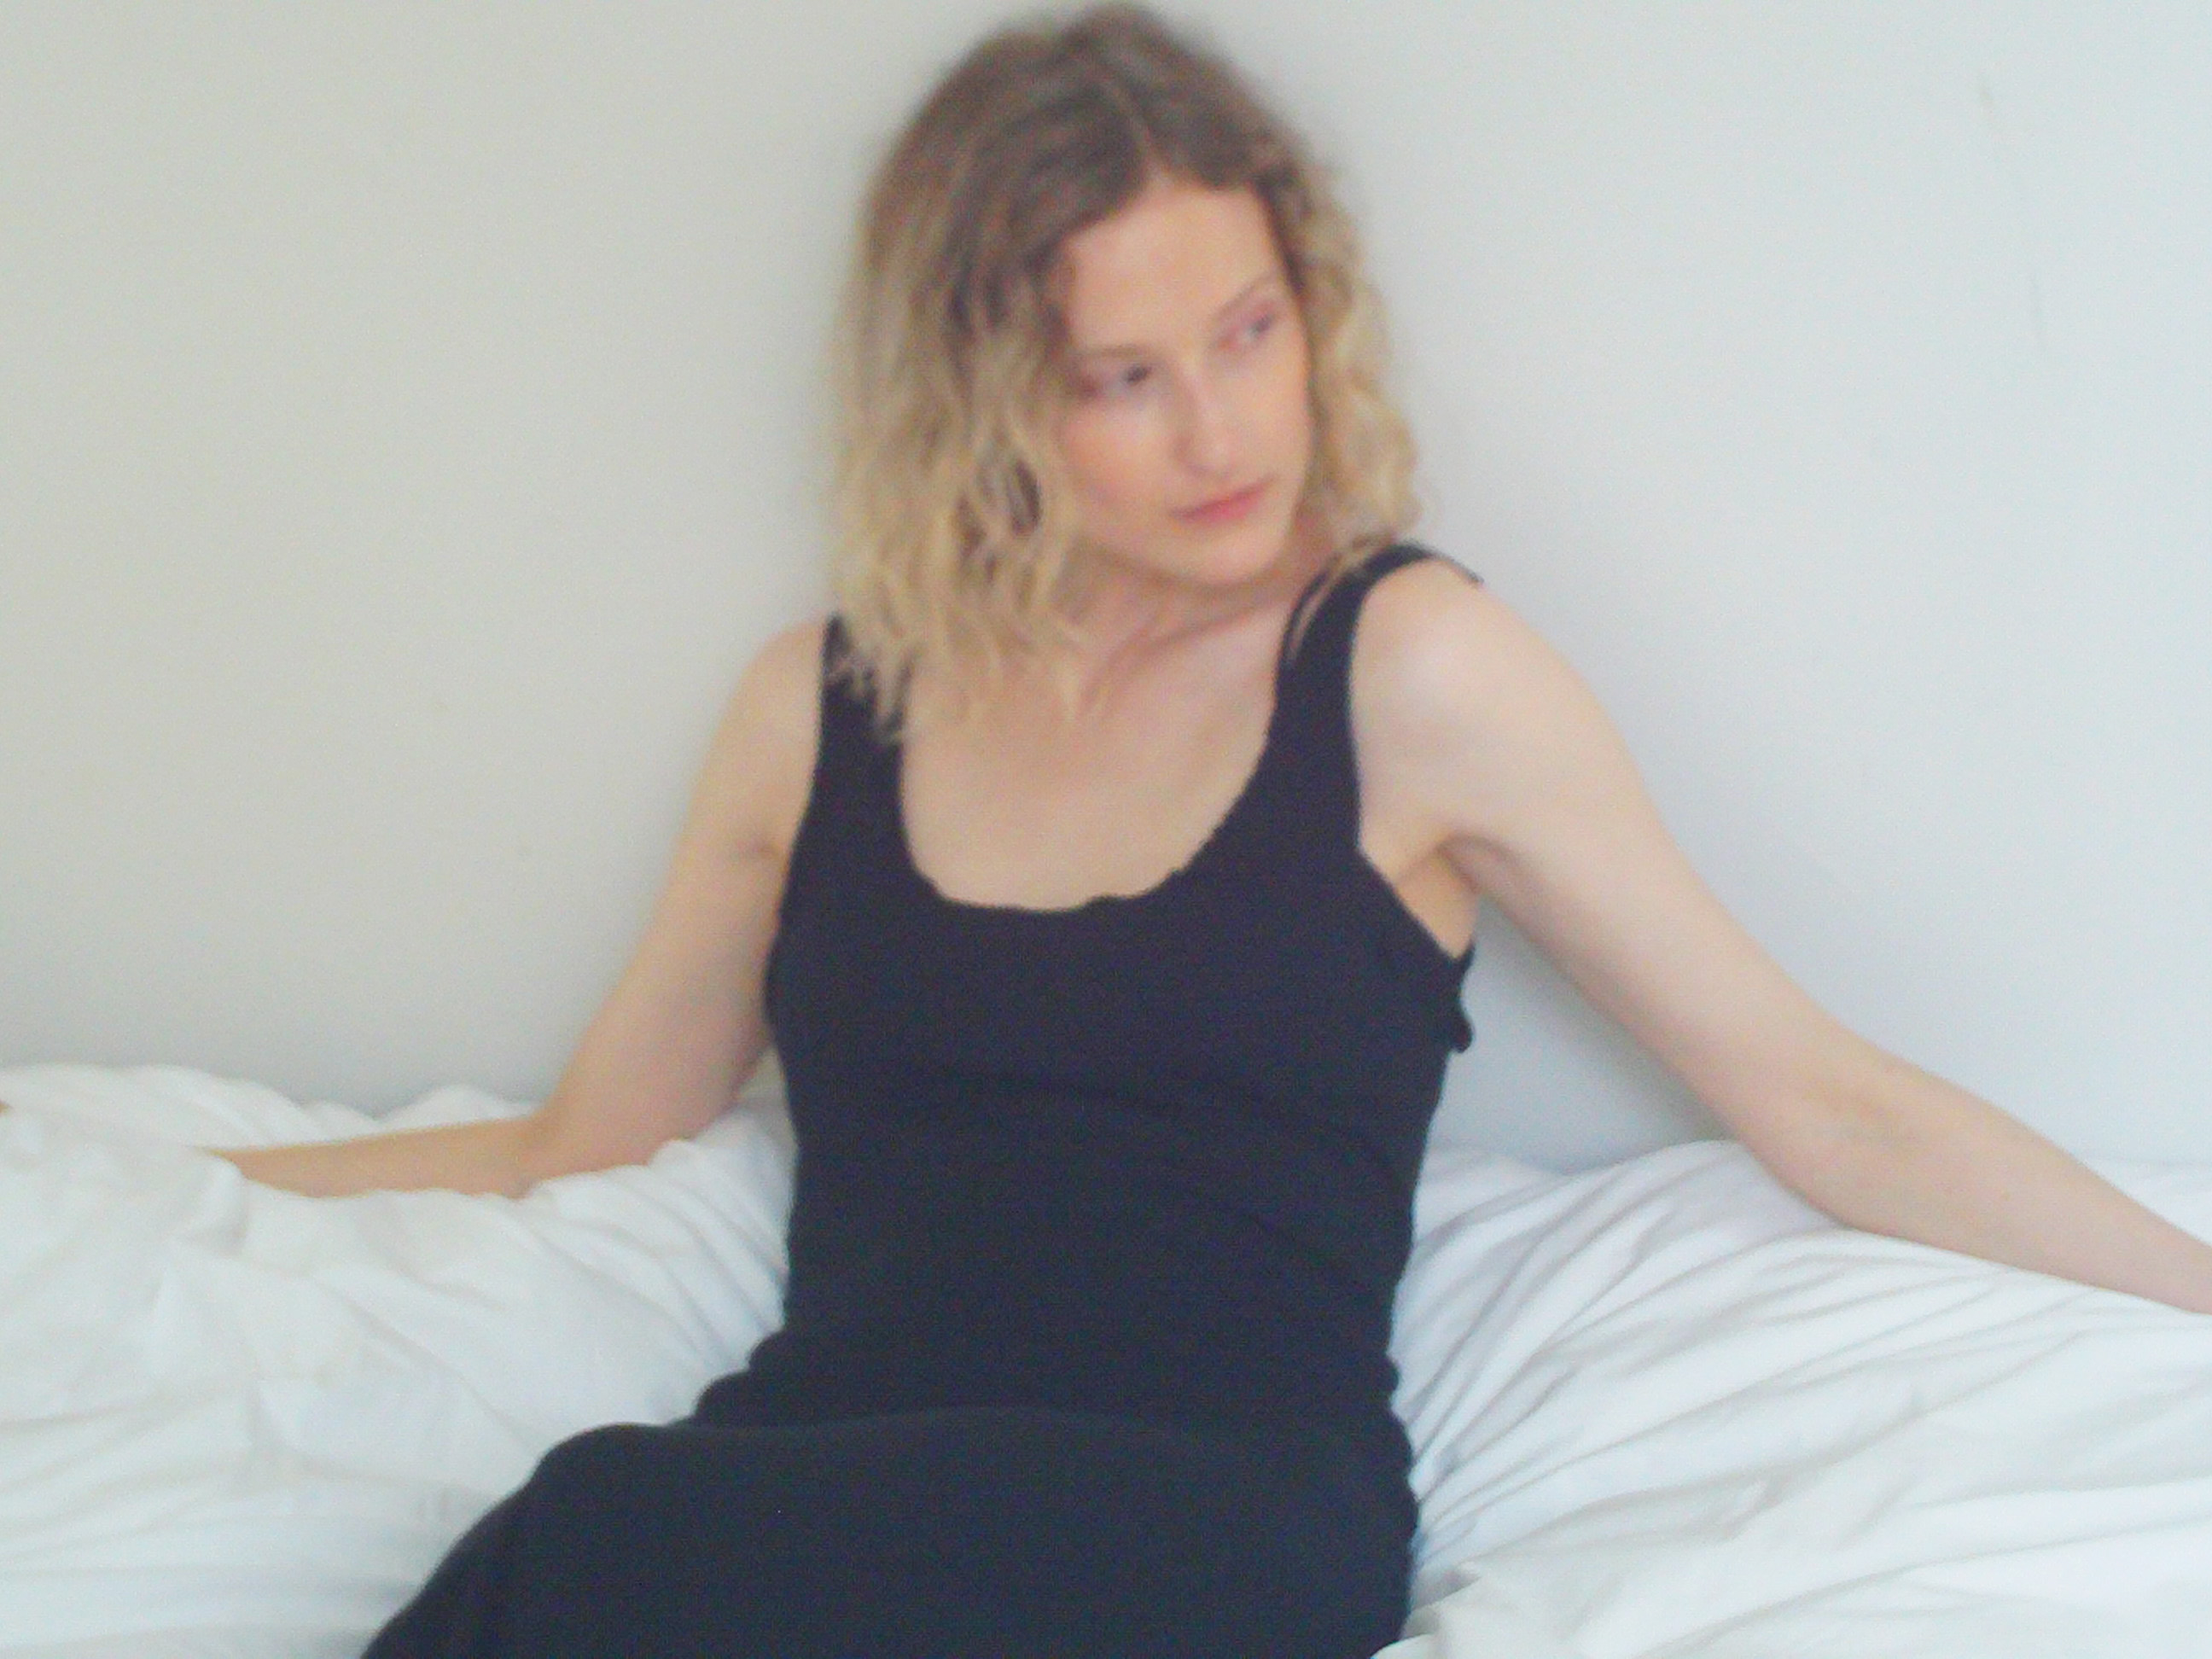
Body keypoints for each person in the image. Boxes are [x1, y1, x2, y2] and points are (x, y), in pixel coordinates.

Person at [12, 4, 2210, 1655]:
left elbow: (1824, 1096)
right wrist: (122, 1173)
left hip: (1215, 1514)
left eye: (1248, 332)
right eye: (1125, 376)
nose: (1223, 428)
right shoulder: (818, 711)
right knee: (604, 1537)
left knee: (594, 1538)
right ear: (987, 397)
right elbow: (583, 1135)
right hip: (816, 1478)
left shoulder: (1409, 674)